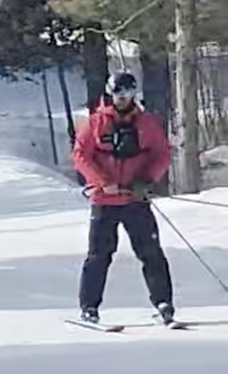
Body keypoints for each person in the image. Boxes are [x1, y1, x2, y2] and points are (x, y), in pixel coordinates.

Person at [72, 70, 175, 325]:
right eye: (118, 94)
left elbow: (162, 153)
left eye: (128, 94)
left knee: (151, 252)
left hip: (135, 200)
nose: (122, 99)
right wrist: (102, 182)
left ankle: (163, 303)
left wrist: (146, 180)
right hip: (104, 201)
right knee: (98, 255)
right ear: (110, 93)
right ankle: (89, 307)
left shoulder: (146, 123)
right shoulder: (95, 123)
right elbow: (80, 155)